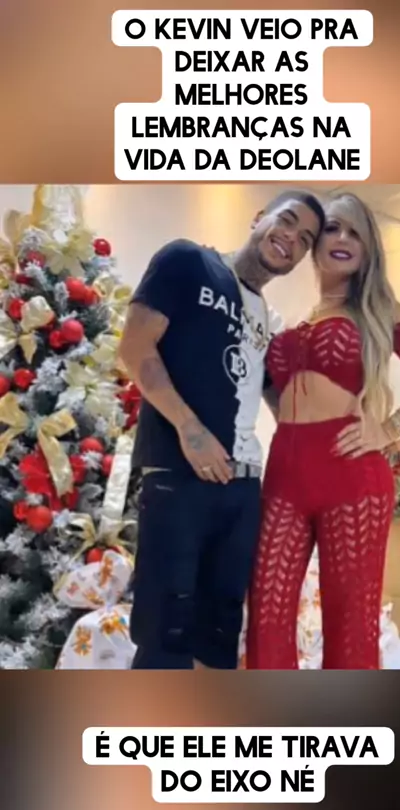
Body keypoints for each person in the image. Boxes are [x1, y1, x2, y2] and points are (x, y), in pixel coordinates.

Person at [246, 191, 400, 671]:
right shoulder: (300, 319)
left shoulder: (378, 308)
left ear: (368, 248)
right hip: (284, 473)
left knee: (350, 622)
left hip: (350, 474)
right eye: (332, 228)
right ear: (315, 241)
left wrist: (391, 428)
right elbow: (282, 393)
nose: (343, 239)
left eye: (355, 232)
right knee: (265, 613)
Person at [118, 190, 325, 669]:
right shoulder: (188, 261)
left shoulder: (268, 320)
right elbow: (135, 348)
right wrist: (190, 430)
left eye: (305, 239)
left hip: (244, 489)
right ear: (259, 217)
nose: (291, 239)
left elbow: (283, 404)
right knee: (166, 630)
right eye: (287, 221)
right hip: (178, 473)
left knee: (220, 630)